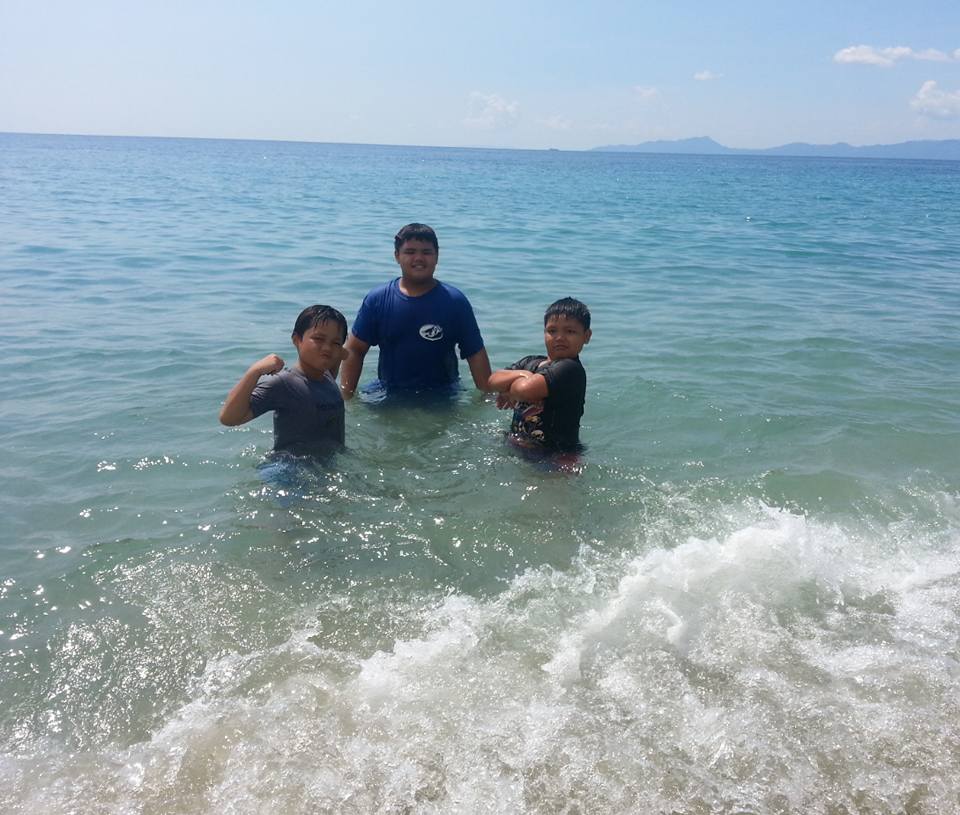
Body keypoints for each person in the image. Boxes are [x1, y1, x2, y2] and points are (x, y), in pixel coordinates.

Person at [339, 223, 492, 399]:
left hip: (443, 394)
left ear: (437, 256)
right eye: (410, 252)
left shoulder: (455, 302)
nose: (418, 258)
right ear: (397, 256)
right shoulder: (378, 300)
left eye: (426, 252)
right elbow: (355, 349)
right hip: (388, 392)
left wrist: (486, 397)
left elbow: (475, 353)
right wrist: (347, 397)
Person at [219, 305, 348, 456]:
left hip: (328, 463)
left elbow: (342, 355)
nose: (327, 348)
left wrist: (341, 354)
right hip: (289, 466)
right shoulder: (283, 384)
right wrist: (254, 372)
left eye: (335, 343)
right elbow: (229, 418)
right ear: (296, 340)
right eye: (318, 339)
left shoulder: (327, 376)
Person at [487, 297, 591, 453]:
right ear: (544, 333)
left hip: (557, 455)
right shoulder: (531, 362)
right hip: (522, 446)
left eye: (570, 331)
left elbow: (523, 390)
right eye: (552, 331)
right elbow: (492, 381)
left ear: (586, 336)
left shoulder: (570, 369)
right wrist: (524, 374)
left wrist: (510, 388)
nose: (559, 337)